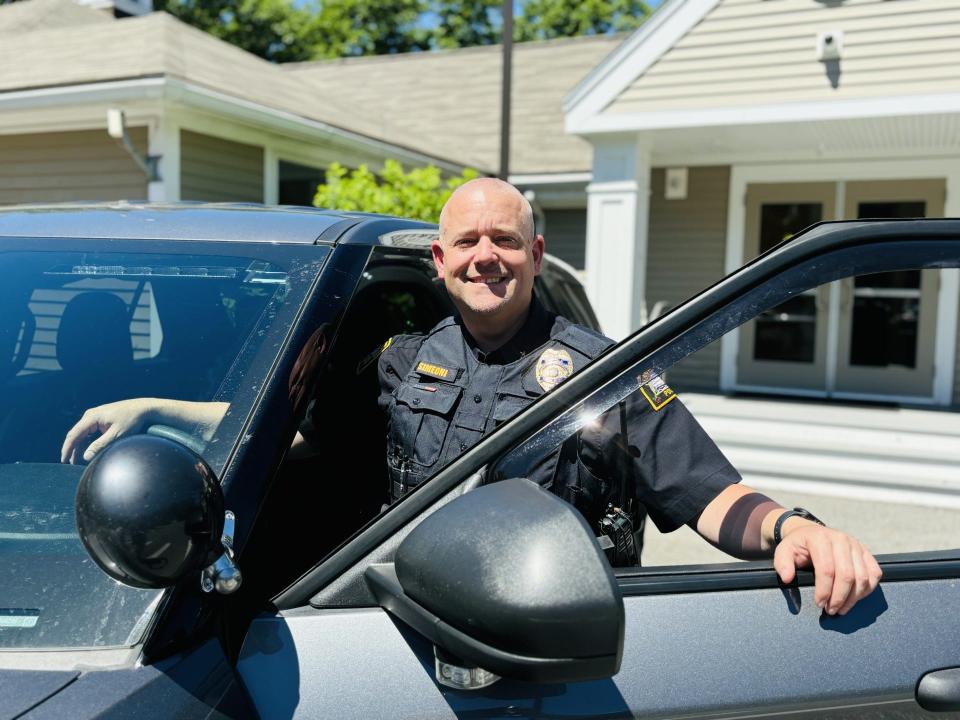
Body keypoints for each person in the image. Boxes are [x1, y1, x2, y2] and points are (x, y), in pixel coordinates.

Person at [62, 178, 881, 616]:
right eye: (467, 242)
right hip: (406, 631)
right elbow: (286, 437)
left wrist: (794, 527)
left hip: (560, 645)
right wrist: (160, 410)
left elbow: (710, 494)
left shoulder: (609, 371)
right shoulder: (397, 363)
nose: (485, 256)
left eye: (504, 240)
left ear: (535, 252)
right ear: (441, 260)